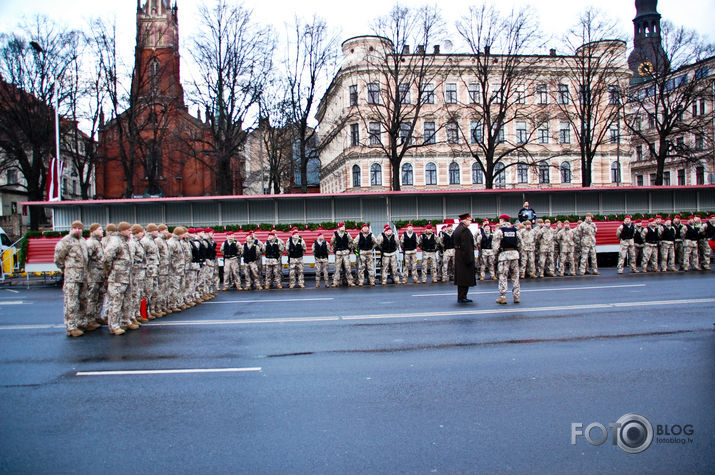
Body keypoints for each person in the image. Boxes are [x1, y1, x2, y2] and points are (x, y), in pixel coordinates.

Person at [54, 221, 91, 337]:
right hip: (72, 277)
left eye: (79, 228)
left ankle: (81, 323)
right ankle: (71, 327)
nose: (77, 230)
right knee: (71, 302)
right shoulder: (66, 241)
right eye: (75, 228)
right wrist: (66, 269)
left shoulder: (83, 241)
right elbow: (58, 258)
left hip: (83, 276)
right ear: (71, 228)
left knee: (83, 301)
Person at [103, 222, 134, 335]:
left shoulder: (124, 241)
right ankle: (114, 325)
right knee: (115, 302)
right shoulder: (116, 241)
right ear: (122, 230)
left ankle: (125, 321)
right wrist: (110, 270)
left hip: (125, 276)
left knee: (126, 301)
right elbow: (106, 257)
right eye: (128, 230)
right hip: (117, 278)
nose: (130, 232)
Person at [493, 215, 521, 304]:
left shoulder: (500, 231)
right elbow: (521, 243)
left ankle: (503, 297)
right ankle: (516, 296)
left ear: (502, 220)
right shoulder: (515, 230)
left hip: (504, 255)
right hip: (514, 255)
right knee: (515, 276)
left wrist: (495, 256)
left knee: (503, 276)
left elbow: (495, 246)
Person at [85, 223, 106, 328]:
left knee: (100, 296)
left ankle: (97, 316)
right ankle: (89, 319)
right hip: (92, 275)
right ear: (93, 231)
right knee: (91, 297)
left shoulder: (99, 243)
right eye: (99, 229)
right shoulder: (90, 243)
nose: (102, 231)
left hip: (100, 275)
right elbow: (85, 259)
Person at [453, 213, 476, 303]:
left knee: (461, 278)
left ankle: (461, 296)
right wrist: (469, 259)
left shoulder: (458, 229)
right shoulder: (464, 231)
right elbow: (467, 246)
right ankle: (463, 296)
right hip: (464, 256)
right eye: (469, 220)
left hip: (459, 255)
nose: (470, 222)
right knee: (465, 278)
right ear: (464, 221)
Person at [141, 223, 160, 318]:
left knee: (154, 292)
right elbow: (142, 256)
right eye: (156, 230)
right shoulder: (145, 241)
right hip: (148, 271)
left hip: (154, 270)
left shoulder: (153, 241)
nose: (157, 232)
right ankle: (145, 312)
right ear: (151, 231)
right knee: (147, 292)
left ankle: (152, 310)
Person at [331, 222, 355, 287]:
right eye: (342, 226)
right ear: (339, 227)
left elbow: (351, 241)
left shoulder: (347, 233)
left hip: (345, 253)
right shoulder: (335, 234)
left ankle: (350, 282)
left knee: (348, 268)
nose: (343, 228)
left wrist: (349, 249)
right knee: (337, 268)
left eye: (344, 226)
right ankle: (335, 282)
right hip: (338, 253)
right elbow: (332, 242)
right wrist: (335, 250)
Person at [154, 224, 171, 316]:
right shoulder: (158, 241)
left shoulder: (163, 241)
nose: (167, 232)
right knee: (159, 290)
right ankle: (156, 308)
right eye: (165, 230)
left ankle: (162, 306)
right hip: (160, 269)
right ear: (160, 231)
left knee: (164, 289)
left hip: (165, 269)